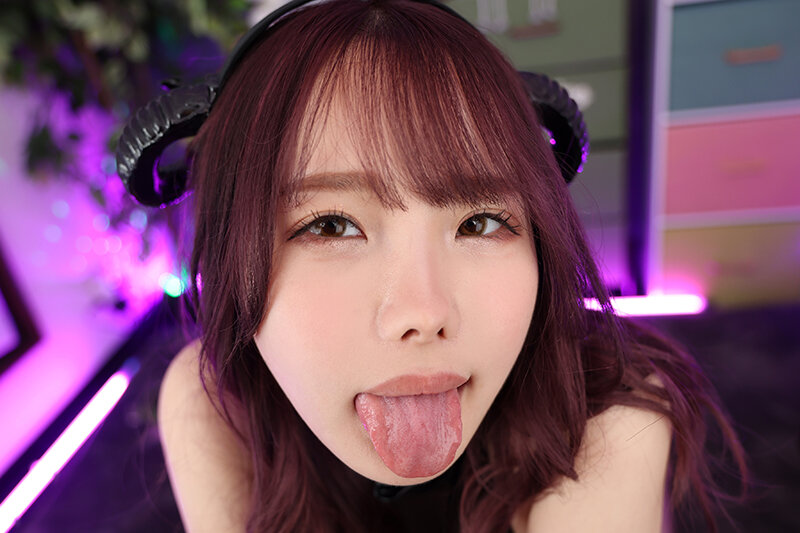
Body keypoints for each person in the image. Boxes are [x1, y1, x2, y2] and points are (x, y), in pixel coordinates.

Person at [115, 0, 747, 531]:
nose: (424, 312)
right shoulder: (210, 402)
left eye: (481, 222)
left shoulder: (611, 421)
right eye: (330, 225)